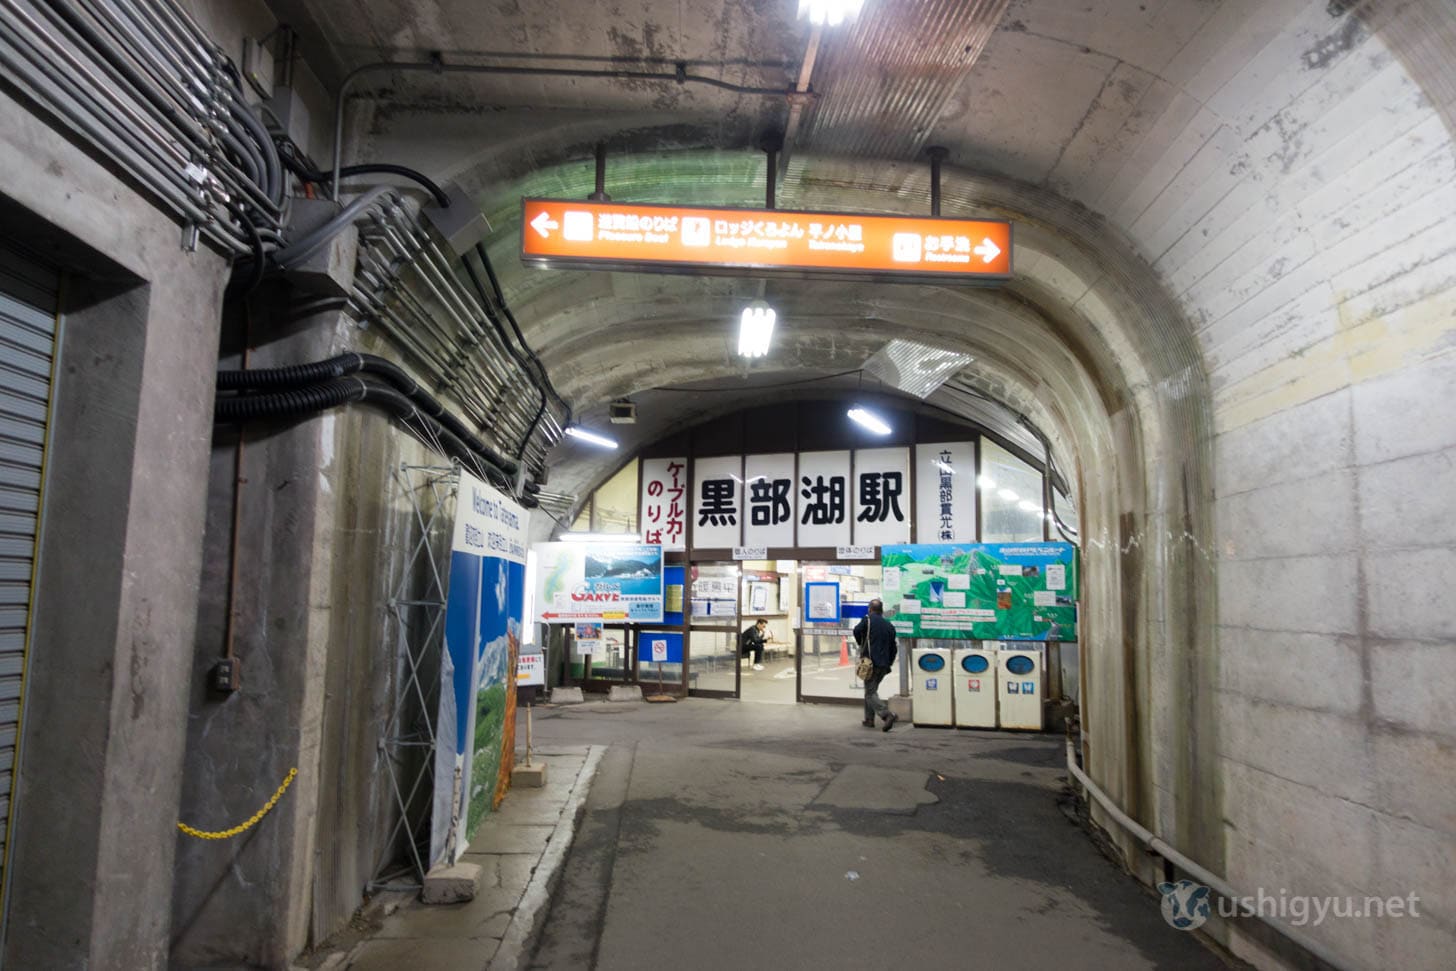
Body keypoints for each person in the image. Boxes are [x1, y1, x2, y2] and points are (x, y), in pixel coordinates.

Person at [853, 599, 898, 731]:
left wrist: (862, 644)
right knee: (871, 690)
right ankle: (869, 719)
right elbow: (893, 648)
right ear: (881, 610)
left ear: (870, 609)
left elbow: (856, 631)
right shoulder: (889, 625)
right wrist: (889, 662)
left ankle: (886, 714)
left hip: (870, 663)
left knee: (870, 693)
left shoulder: (867, 620)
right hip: (883, 665)